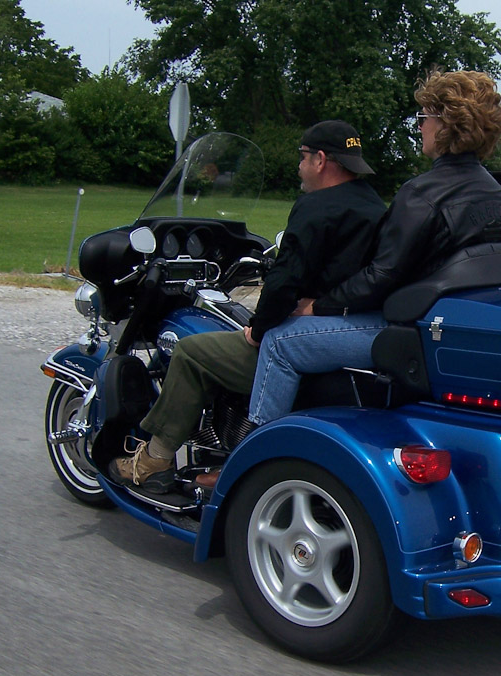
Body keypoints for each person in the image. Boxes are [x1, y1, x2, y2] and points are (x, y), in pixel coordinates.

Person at [109, 120, 386, 489]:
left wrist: (258, 328)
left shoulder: (316, 206)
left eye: (302, 157)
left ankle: (153, 460)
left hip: (307, 340)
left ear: (321, 160)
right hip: (351, 334)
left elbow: (285, 281)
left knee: (191, 353)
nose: (298, 166)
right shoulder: (374, 204)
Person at [247, 70, 501, 427]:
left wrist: (319, 305)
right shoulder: (493, 193)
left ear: (446, 124)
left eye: (424, 117)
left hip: (407, 328)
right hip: (451, 324)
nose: (419, 126)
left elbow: (380, 275)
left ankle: (255, 451)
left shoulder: (421, 194)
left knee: (278, 343)